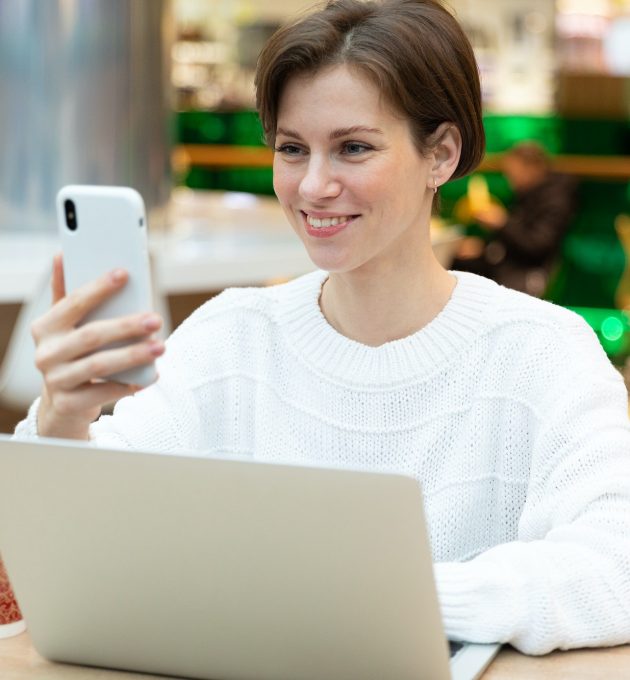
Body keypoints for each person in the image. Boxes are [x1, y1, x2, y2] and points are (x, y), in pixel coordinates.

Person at [15, 0, 630, 657]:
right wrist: (61, 419)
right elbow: (71, 547)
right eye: (291, 149)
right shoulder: (232, 336)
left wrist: (390, 599)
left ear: (442, 154)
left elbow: (614, 568)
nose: (312, 186)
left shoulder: (543, 352)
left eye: (353, 148)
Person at [453, 141, 577, 296]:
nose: (510, 179)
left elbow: (536, 247)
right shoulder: (529, 194)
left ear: (531, 168)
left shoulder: (555, 200)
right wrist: (484, 248)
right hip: (511, 264)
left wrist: (501, 223)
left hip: (528, 274)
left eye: (512, 173)